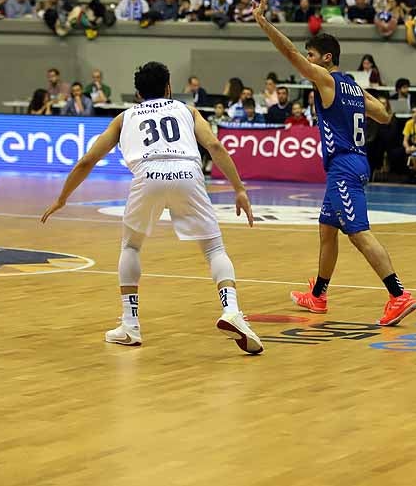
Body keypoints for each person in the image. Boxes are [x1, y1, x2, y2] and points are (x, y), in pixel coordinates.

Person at [40, 61, 263, 354]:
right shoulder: (187, 110)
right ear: (169, 88)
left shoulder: (124, 117)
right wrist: (239, 189)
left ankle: (130, 325)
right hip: (188, 173)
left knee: (131, 247)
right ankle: (231, 310)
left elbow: (87, 161)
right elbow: (215, 147)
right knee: (213, 249)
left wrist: (62, 198)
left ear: (137, 94)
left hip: (147, 175)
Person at [252, 0, 416, 326]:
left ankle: (398, 294)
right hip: (353, 162)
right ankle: (319, 294)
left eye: (312, 56)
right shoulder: (354, 88)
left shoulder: (326, 81)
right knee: (327, 229)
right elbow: (385, 116)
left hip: (344, 165)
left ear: (327, 58)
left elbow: (289, 53)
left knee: (358, 233)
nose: (308, 61)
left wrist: (263, 21)